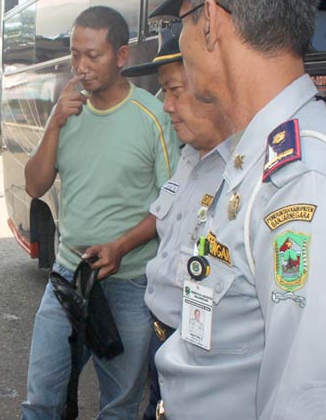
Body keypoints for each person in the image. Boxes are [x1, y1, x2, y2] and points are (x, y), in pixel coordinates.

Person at [150, 0, 326, 418]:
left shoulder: (306, 177)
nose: (180, 44)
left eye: (179, 24)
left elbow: (308, 402)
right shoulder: (251, 154)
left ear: (211, 21)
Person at [21, 5, 180, 420]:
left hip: (129, 284)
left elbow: (175, 203)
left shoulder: (152, 116)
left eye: (94, 56)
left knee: (119, 407)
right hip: (67, 277)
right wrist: (54, 124)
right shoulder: (67, 113)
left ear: (121, 57)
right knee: (40, 401)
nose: (81, 67)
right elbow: (34, 186)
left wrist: (121, 246)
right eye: (75, 55)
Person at [120, 25, 233, 420]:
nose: (165, 105)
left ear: (212, 83)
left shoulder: (245, 170)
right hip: (163, 340)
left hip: (203, 358)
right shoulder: (191, 155)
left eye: (174, 90)